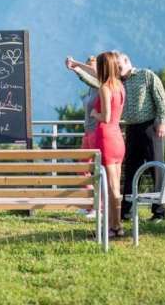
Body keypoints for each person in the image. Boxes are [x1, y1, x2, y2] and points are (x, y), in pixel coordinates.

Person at [117, 53, 165, 222]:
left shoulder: (146, 75)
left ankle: (159, 212)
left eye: (118, 66)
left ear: (127, 61)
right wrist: (78, 69)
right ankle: (127, 211)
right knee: (131, 170)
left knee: (157, 169)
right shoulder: (118, 82)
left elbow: (162, 100)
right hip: (132, 129)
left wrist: (162, 122)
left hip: (151, 128)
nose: (117, 69)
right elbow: (96, 80)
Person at [89, 51, 126, 237]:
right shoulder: (120, 86)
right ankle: (114, 225)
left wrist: (94, 114)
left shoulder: (105, 88)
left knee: (111, 186)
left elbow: (106, 117)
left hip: (106, 138)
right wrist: (78, 66)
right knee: (115, 185)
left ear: (103, 67)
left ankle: (116, 226)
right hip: (118, 137)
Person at [65, 55, 99, 219]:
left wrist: (75, 67)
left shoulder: (100, 84)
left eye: (92, 67)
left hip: (97, 132)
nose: (89, 69)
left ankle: (97, 207)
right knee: (82, 168)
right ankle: (90, 204)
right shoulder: (90, 88)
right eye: (88, 66)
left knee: (96, 170)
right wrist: (76, 68)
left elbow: (90, 77)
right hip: (88, 132)